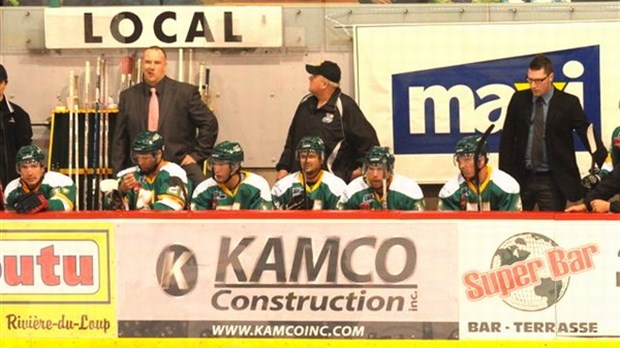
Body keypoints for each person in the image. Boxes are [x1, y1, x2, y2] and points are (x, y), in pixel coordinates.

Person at [498, 54, 607, 211]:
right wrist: (505, 178)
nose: (533, 85)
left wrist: (607, 166)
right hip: (521, 176)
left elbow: (587, 134)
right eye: (530, 80)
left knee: (552, 227)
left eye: (538, 80)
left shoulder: (568, 103)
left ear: (551, 77)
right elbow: (507, 138)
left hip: (553, 178)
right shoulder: (519, 99)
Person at [111, 46, 218, 187]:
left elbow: (209, 124)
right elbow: (120, 139)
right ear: (142, 65)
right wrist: (117, 175)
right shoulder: (128, 96)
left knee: (206, 191)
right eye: (148, 62)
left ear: (165, 66)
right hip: (140, 168)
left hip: (179, 164)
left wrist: (196, 155)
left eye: (157, 63)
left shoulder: (185, 93)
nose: (151, 67)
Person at [276, 60, 379, 184]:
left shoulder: (345, 106)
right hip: (300, 182)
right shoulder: (305, 104)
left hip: (332, 186)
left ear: (324, 84)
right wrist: (283, 167)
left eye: (314, 76)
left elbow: (368, 142)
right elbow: (292, 139)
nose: (310, 78)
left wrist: (356, 172)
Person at [109, 131, 190, 211]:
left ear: (158, 154)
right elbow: (110, 209)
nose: (140, 162)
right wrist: (121, 191)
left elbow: (170, 206)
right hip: (134, 223)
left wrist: (145, 213)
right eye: (137, 157)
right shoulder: (129, 175)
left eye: (145, 158)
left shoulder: (173, 173)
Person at [438, 135, 521, 211]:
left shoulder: (507, 186)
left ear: (481, 160)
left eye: (467, 159)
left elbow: (511, 225)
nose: (461, 166)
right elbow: (448, 226)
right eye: (459, 160)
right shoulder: (450, 191)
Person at [337, 146, 425, 210]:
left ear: (390, 170)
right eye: (371, 169)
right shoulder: (352, 190)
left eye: (380, 169)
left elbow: (418, 227)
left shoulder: (409, 189)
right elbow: (340, 223)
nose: (375, 174)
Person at [191, 141, 272, 210]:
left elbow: (261, 223)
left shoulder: (257, 186)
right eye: (214, 164)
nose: (216, 169)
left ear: (235, 167)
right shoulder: (203, 189)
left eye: (221, 164)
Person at [272, 136, 346, 210]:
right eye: (303, 157)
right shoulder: (282, 187)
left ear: (321, 159)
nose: (306, 161)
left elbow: (343, 216)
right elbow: (271, 214)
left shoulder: (337, 186)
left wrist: (314, 205)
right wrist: (286, 209)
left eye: (311, 156)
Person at [3, 144, 75, 213]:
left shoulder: (59, 180)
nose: (29, 173)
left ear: (42, 168)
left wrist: (46, 204)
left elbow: (65, 204)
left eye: (34, 166)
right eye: (24, 167)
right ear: (18, 170)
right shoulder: (11, 188)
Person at [0, 63, 33, 191]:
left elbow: (25, 150)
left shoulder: (19, 115)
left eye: (0, 82)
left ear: (5, 84)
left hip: (12, 182)